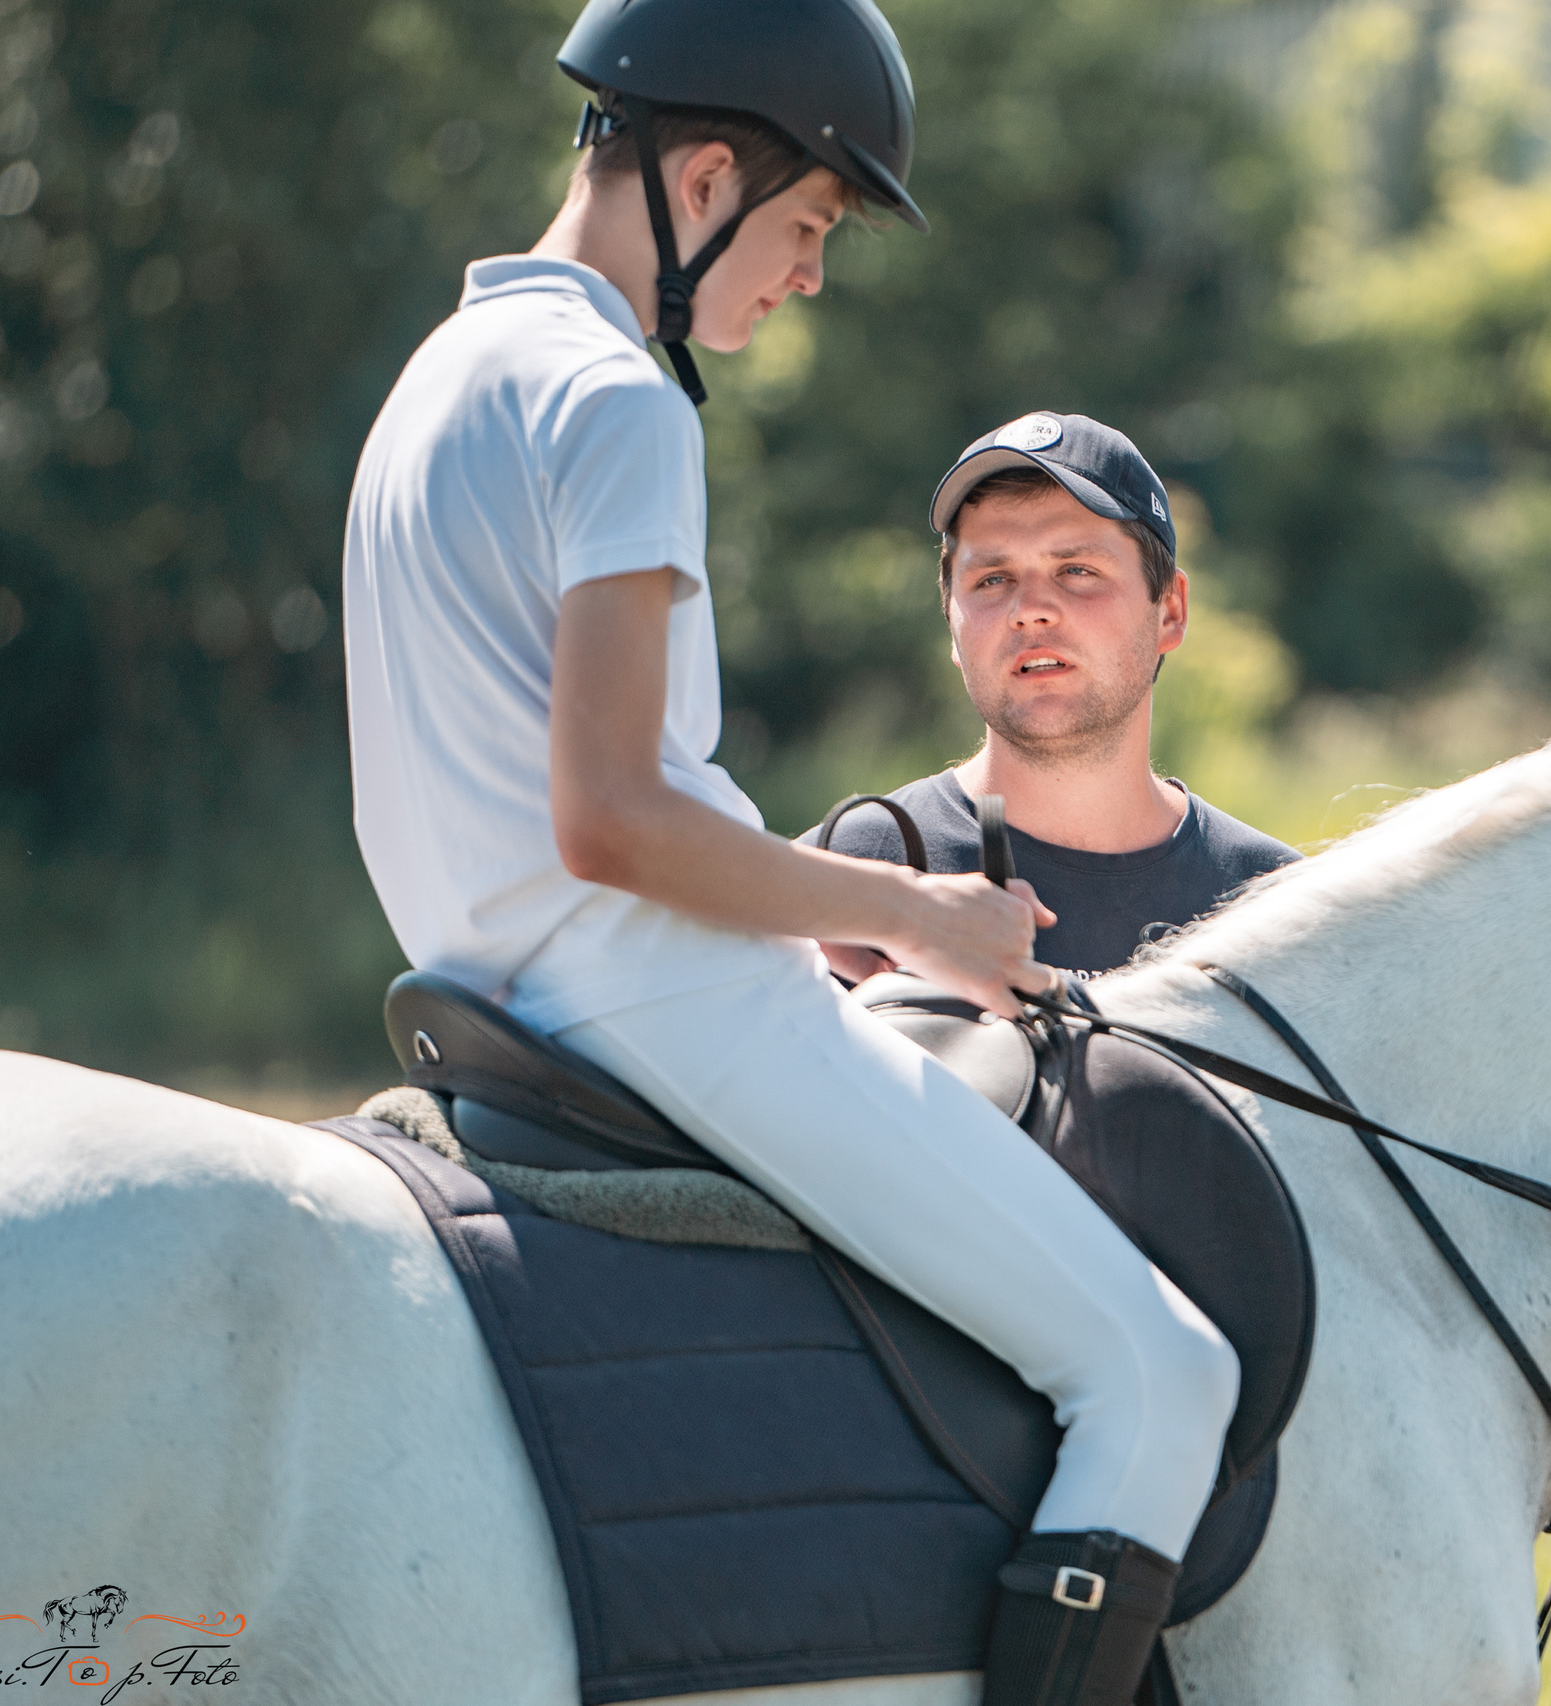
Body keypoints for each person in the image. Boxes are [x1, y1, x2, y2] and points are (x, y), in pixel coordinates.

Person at [339, 4, 1236, 1702]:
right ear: (701, 178)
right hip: (666, 1014)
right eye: (811, 226)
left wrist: (814, 920)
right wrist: (919, 912)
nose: (809, 275)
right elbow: (613, 816)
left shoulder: (432, 386)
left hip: (489, 994)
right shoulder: (618, 401)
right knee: (1159, 1374)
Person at [812, 412, 1297, 980]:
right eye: (992, 580)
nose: (1029, 609)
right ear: (951, 623)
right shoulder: (837, 881)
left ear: (1170, 610)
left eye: (1076, 570)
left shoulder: (1279, 908)